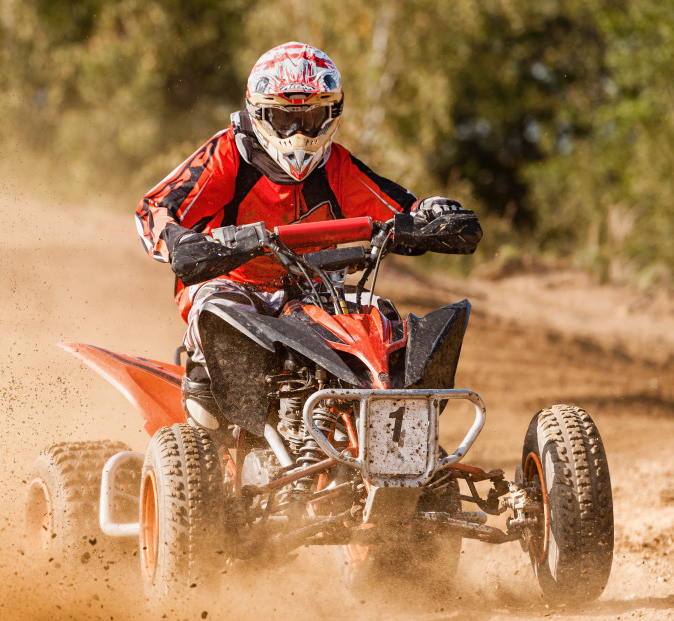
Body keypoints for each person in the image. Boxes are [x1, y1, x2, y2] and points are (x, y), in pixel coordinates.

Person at [135, 42, 465, 434]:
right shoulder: (228, 155)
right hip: (231, 281)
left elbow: (399, 207)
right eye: (284, 118)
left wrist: (435, 217)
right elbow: (153, 207)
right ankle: (205, 439)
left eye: (311, 117)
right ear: (259, 113)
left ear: (333, 114)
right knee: (221, 314)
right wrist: (178, 241)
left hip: (314, 289)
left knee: (381, 321)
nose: (298, 133)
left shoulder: (336, 167)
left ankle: (396, 438)